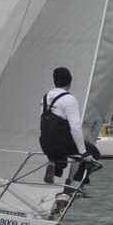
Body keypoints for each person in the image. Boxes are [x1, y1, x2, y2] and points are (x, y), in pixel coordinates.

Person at [39, 67, 93, 214]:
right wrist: (83, 152)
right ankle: (72, 189)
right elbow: (75, 128)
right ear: (70, 81)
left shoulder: (45, 98)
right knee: (93, 155)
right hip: (61, 143)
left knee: (61, 161)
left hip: (45, 142)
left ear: (54, 81)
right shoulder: (69, 99)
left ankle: (54, 172)